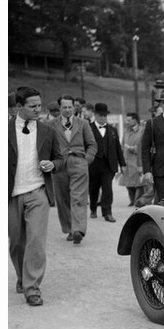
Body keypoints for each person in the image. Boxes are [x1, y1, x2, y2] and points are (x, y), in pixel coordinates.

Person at [8, 86, 64, 306]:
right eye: (32, 106)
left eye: (40, 105)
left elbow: (60, 159)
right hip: (10, 195)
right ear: (19, 107)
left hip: (38, 192)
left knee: (36, 242)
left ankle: (32, 288)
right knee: (16, 243)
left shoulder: (48, 131)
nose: (38, 109)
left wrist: (53, 164)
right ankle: (22, 277)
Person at [49, 94, 98, 244]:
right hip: (59, 165)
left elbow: (92, 144)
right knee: (62, 199)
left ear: (74, 107)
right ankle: (69, 229)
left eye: (70, 107)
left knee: (78, 197)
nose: (68, 110)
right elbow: (46, 145)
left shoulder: (83, 123)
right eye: (64, 107)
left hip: (79, 163)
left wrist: (86, 160)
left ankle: (78, 230)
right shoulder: (51, 125)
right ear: (59, 108)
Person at [88, 103, 126, 222]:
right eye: (100, 116)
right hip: (93, 164)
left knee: (107, 188)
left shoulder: (112, 130)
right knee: (93, 189)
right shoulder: (88, 128)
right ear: (95, 115)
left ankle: (107, 212)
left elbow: (118, 148)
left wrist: (122, 164)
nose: (103, 118)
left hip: (109, 165)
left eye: (105, 116)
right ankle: (93, 208)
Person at [119, 112, 145, 206]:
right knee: (128, 183)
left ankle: (137, 200)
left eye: (129, 120)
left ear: (135, 120)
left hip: (136, 160)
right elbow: (122, 145)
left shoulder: (142, 131)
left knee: (138, 183)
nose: (127, 122)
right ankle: (132, 200)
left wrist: (134, 148)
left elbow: (143, 146)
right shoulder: (126, 131)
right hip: (127, 160)